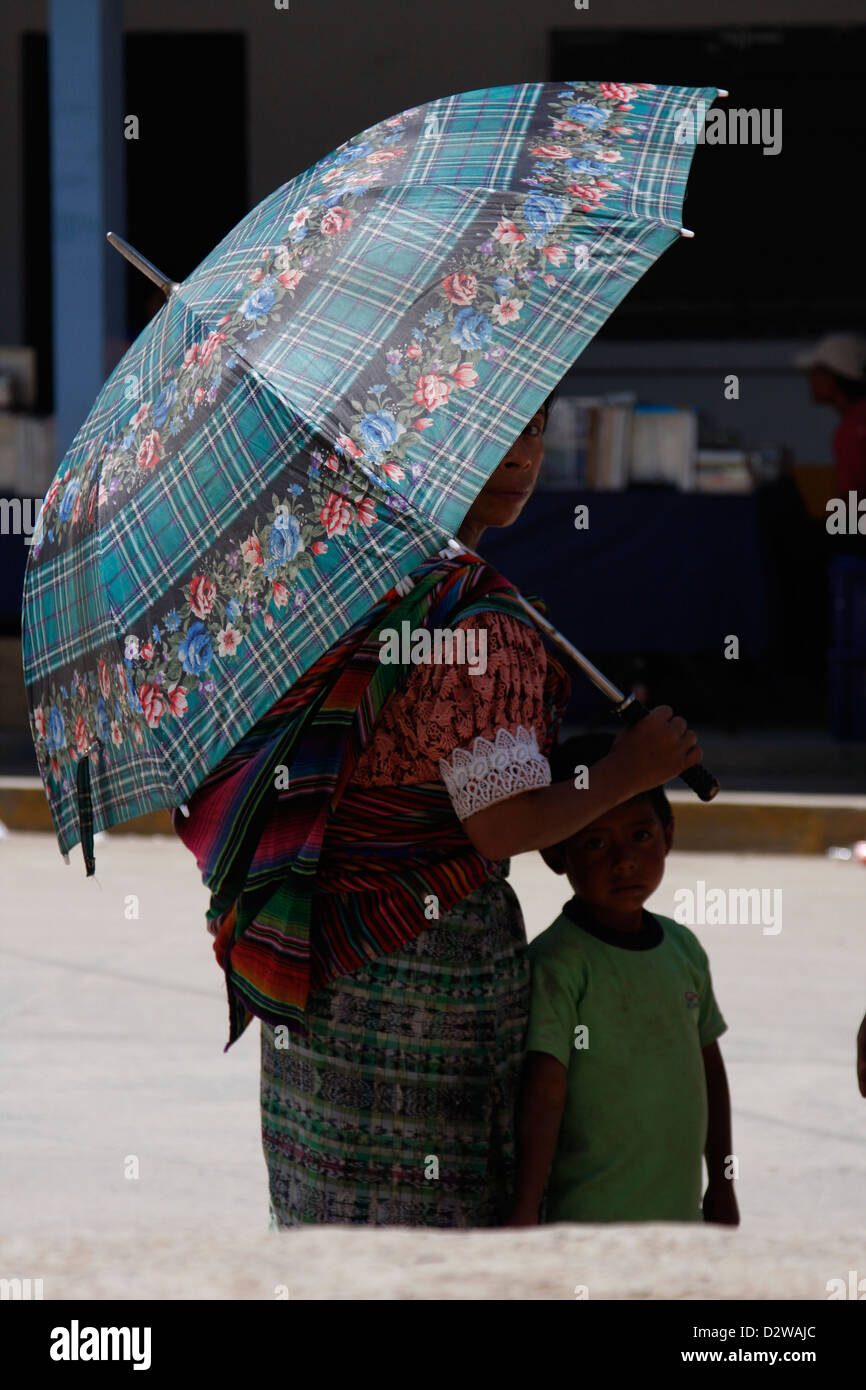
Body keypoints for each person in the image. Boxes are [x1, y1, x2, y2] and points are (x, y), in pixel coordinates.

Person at [175, 391, 706, 1228]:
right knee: (431, 1239)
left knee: (333, 1229)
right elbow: (500, 826)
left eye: (534, 428)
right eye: (499, 427)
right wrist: (625, 771)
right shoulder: (478, 622)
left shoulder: (343, 583)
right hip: (429, 966)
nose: (523, 453)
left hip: (322, 954)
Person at [509, 731, 738, 1228]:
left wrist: (722, 1184)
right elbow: (544, 1094)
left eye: (641, 835)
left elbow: (710, 1074)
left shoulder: (683, 950)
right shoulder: (558, 964)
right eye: (595, 842)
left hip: (679, 1220)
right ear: (554, 854)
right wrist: (525, 1206)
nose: (624, 859)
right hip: (587, 1224)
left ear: (668, 835)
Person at [795, 333, 866, 499]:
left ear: (833, 377)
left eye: (815, 372)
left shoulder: (851, 431)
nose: (810, 379)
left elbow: (854, 501)